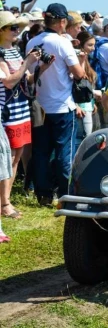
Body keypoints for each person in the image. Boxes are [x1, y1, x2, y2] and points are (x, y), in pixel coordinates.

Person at [26, 3, 86, 206]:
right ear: (62, 22)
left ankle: (43, 194)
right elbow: (79, 74)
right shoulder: (62, 43)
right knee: (64, 152)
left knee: (41, 152)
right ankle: (64, 194)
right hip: (61, 105)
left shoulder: (32, 41)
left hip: (40, 105)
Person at [0, 12, 41, 219]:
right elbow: (8, 82)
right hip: (7, 113)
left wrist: (42, 67)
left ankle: (5, 200)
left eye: (17, 27)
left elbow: (27, 80)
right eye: (12, 28)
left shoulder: (15, 51)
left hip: (20, 109)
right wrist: (27, 62)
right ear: (1, 31)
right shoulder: (0, 53)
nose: (17, 31)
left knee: (16, 158)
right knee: (8, 158)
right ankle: (4, 203)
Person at [74, 32, 99, 148]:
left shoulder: (87, 60)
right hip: (80, 109)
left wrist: (92, 101)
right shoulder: (77, 60)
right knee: (81, 143)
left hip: (88, 107)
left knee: (88, 140)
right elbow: (76, 83)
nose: (93, 48)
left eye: (94, 45)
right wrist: (75, 105)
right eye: (90, 45)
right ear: (82, 45)